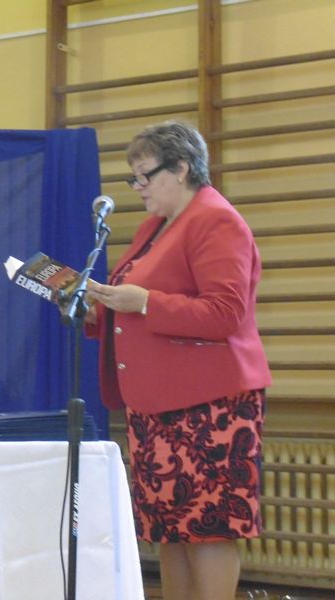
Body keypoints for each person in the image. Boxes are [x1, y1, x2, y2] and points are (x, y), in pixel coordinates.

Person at [85, 121, 272, 600]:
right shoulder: (157, 226)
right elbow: (135, 306)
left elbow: (225, 312)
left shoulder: (215, 220)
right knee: (169, 527)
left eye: (145, 175)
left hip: (211, 405)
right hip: (158, 406)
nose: (138, 187)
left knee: (208, 526)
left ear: (182, 168)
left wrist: (146, 302)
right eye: (133, 177)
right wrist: (97, 309)